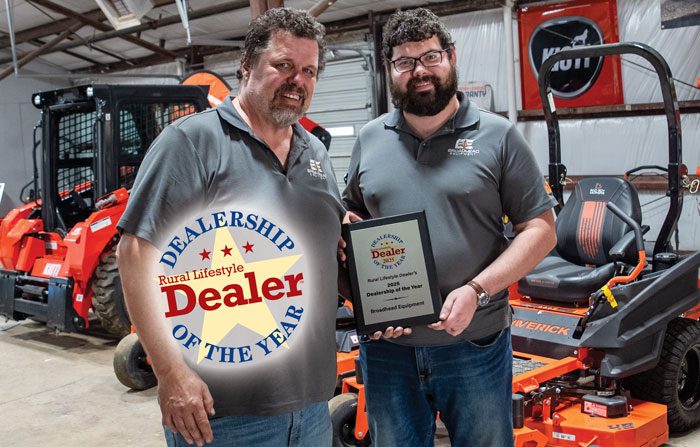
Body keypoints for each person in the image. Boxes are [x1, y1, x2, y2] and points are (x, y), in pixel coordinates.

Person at [117, 8, 345, 447]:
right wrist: (170, 373)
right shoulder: (192, 142)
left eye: (309, 71)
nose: (297, 80)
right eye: (283, 65)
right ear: (246, 66)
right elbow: (135, 254)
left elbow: (328, 235)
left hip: (313, 405)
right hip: (222, 415)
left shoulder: (314, 151)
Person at [342, 8, 557, 447]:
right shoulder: (370, 138)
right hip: (387, 350)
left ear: (451, 57)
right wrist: (344, 227)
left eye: (430, 57)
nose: (419, 71)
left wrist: (478, 289)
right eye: (405, 62)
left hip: (475, 344)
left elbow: (541, 229)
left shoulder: (498, 136)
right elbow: (351, 218)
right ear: (389, 70)